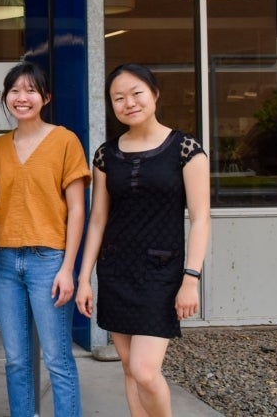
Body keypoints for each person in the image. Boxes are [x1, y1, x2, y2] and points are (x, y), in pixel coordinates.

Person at [75, 63, 211, 417]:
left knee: (145, 370)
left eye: (136, 93)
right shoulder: (106, 155)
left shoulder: (185, 149)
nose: (128, 103)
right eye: (118, 97)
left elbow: (200, 219)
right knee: (127, 367)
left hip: (161, 273)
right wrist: (84, 278)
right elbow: (98, 219)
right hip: (117, 269)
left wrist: (191, 279)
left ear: (154, 94)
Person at [0, 61, 90, 417]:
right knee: (15, 359)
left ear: (45, 97)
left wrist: (68, 268)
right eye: (14, 90)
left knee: (57, 358)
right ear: (5, 97)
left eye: (30, 90)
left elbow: (77, 210)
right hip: (7, 262)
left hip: (49, 261)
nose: (21, 97)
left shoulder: (64, 141)